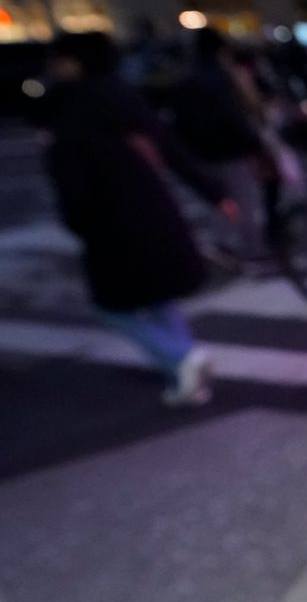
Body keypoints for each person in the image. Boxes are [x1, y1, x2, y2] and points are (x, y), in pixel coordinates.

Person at [41, 32, 235, 406]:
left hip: (109, 224)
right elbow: (170, 148)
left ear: (74, 63)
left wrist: (80, 224)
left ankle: (181, 359)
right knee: (158, 296)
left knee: (112, 307)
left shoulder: (67, 111)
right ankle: (186, 374)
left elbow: (71, 182)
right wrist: (214, 194)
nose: (53, 66)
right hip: (152, 208)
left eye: (59, 59)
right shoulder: (124, 97)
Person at [169, 27, 270, 264]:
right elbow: (231, 116)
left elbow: (179, 120)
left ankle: (222, 243)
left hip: (201, 151)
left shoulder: (185, 78)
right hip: (229, 148)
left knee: (220, 198)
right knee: (245, 199)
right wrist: (254, 145)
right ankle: (252, 250)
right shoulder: (219, 77)